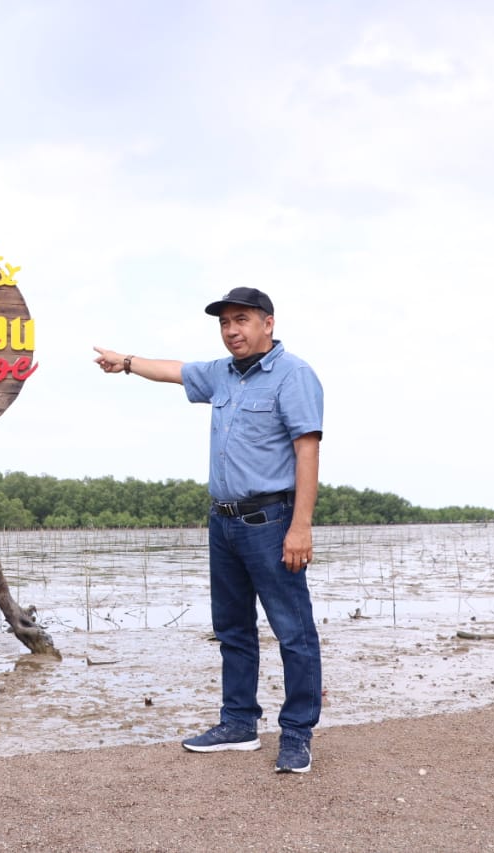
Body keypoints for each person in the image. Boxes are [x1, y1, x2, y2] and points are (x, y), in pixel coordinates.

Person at [93, 286, 323, 774]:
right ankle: (239, 724)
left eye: (241, 320)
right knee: (233, 629)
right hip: (223, 522)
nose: (232, 330)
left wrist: (300, 526)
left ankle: (298, 733)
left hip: (272, 521)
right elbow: (174, 371)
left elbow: (307, 451)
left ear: (268, 323)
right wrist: (126, 361)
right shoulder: (222, 375)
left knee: (292, 631)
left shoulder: (294, 376)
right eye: (224, 323)